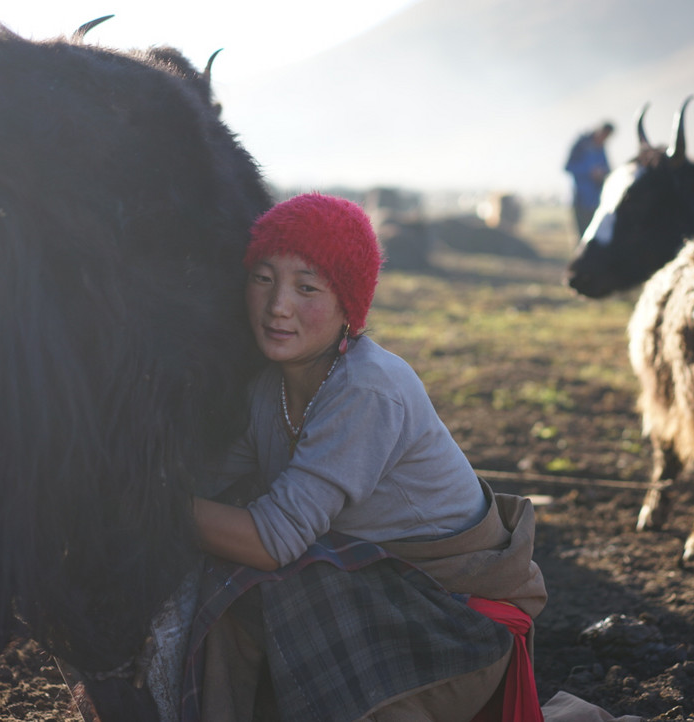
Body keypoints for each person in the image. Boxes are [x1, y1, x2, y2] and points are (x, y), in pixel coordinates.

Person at [175, 192, 548, 722]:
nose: (278, 305)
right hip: (382, 594)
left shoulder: (367, 388)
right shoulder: (268, 389)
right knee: (242, 584)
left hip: (458, 621)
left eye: (307, 287)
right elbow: (209, 483)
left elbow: (270, 539)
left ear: (349, 304)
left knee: (287, 580)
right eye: (263, 278)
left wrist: (148, 505)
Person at [564, 122, 614, 239]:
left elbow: (607, 170)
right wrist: (589, 172)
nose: (604, 139)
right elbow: (568, 166)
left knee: (596, 238)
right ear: (599, 131)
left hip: (597, 202)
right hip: (581, 201)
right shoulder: (582, 145)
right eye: (603, 135)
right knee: (583, 238)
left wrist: (602, 174)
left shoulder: (601, 148)